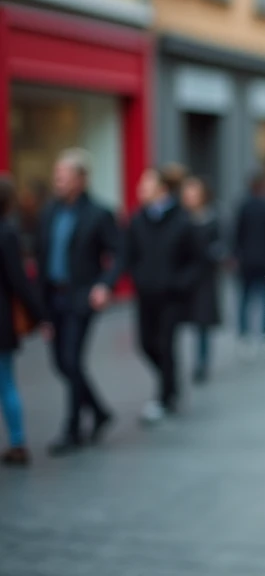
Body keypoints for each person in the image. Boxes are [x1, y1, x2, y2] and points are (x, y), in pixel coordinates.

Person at [35, 149, 120, 456]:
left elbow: (119, 254)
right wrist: (39, 310)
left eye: (64, 176)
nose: (57, 181)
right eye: (56, 176)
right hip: (52, 298)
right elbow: (42, 257)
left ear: (81, 179)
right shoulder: (50, 212)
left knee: (71, 360)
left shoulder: (98, 213)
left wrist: (103, 285)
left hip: (80, 298)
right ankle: (98, 411)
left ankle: (72, 429)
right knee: (61, 363)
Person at [125, 168, 198, 422]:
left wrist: (179, 284)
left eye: (145, 185)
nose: (140, 189)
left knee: (166, 346)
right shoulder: (138, 220)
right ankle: (170, 383)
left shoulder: (182, 220)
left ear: (162, 189)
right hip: (146, 296)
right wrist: (138, 278)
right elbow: (130, 255)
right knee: (146, 344)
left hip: (171, 298)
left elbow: (197, 260)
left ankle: (164, 398)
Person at [0, 175, 49, 466]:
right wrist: (40, 315)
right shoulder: (7, 232)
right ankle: (18, 441)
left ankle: (18, 442)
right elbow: (18, 280)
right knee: (6, 381)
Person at [181, 176, 222, 384]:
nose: (190, 198)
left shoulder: (210, 218)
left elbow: (220, 246)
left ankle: (202, 363)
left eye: (194, 194)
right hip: (183, 280)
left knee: (202, 323)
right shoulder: (181, 220)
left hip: (204, 280)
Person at [234, 174, 265, 353]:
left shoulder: (244, 206)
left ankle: (244, 334)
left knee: (244, 298)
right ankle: (264, 333)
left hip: (246, 259)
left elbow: (237, 233)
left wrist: (235, 255)